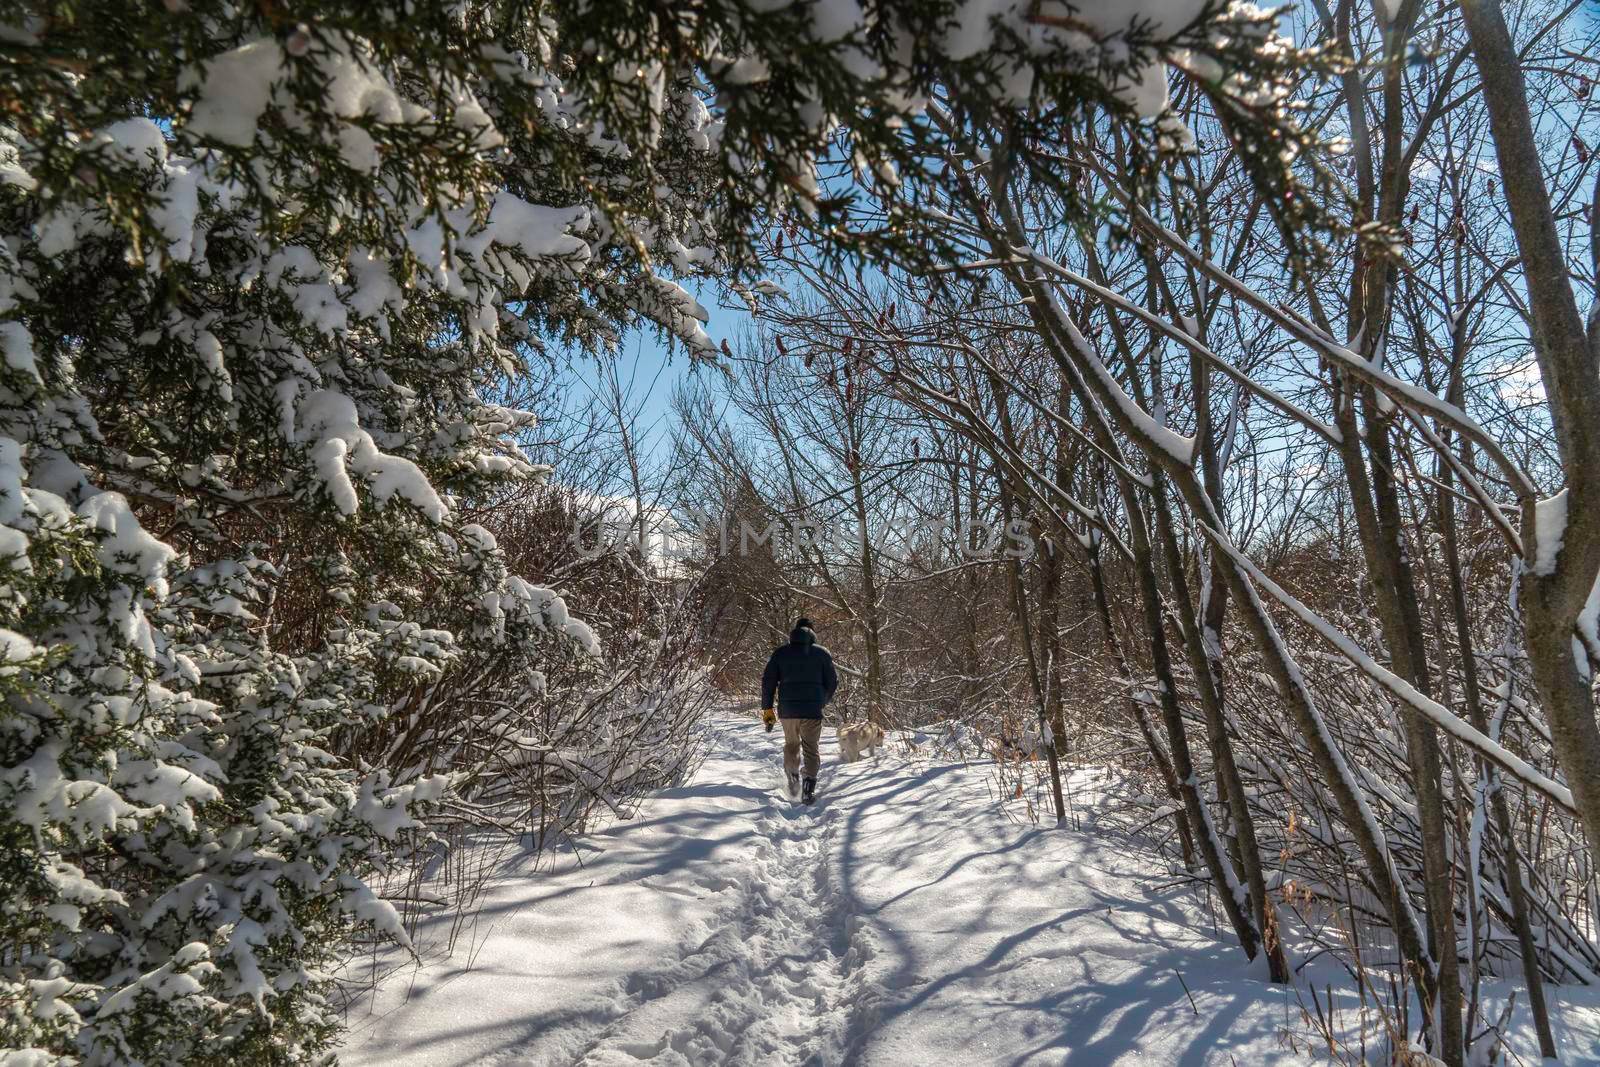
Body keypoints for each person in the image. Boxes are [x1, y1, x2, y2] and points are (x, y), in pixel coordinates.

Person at [760, 617, 838, 804]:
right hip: (812, 710)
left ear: (794, 632)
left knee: (791, 745)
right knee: (811, 749)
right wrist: (821, 701)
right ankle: (808, 790)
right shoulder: (822, 654)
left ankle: (793, 775)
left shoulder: (780, 653)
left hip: (788, 711)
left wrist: (767, 710)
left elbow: (768, 682)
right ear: (812, 633)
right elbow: (833, 682)